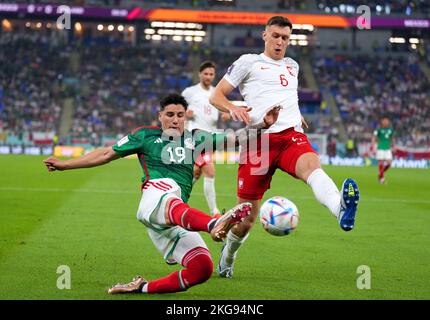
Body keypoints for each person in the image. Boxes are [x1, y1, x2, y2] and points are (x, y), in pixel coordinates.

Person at [43, 94, 253, 294]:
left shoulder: (196, 138)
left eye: (180, 115)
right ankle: (213, 224)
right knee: (170, 189)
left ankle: (140, 287)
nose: (175, 120)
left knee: (202, 268)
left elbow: (234, 139)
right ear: (160, 116)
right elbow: (107, 153)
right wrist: (65, 165)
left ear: (185, 117)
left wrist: (263, 125)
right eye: (169, 115)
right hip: (154, 200)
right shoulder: (145, 135)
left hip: (173, 218)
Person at [209, 16, 360, 278]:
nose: (280, 42)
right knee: (246, 219)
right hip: (258, 140)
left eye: (285, 38)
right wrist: (232, 107)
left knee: (312, 166)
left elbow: (288, 96)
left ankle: (341, 209)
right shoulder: (248, 62)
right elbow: (216, 95)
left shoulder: (293, 66)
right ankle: (228, 256)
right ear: (264, 35)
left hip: (291, 135)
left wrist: (296, 114)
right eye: (276, 35)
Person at [182, 61, 227, 217]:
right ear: (200, 74)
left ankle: (178, 198)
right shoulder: (189, 92)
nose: (208, 77)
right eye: (206, 73)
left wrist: (226, 113)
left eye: (211, 74)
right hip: (196, 134)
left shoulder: (216, 93)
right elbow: (178, 109)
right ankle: (214, 212)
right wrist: (184, 113)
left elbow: (223, 110)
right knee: (210, 170)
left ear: (214, 76)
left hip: (211, 136)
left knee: (196, 172)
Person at [372, 117, 394, 184]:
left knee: (389, 164)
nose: (386, 122)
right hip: (380, 148)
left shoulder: (391, 130)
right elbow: (374, 138)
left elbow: (391, 138)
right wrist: (373, 147)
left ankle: (380, 173)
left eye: (387, 121)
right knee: (381, 162)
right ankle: (382, 179)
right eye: (384, 121)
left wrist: (393, 146)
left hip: (387, 148)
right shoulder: (378, 130)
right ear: (382, 122)